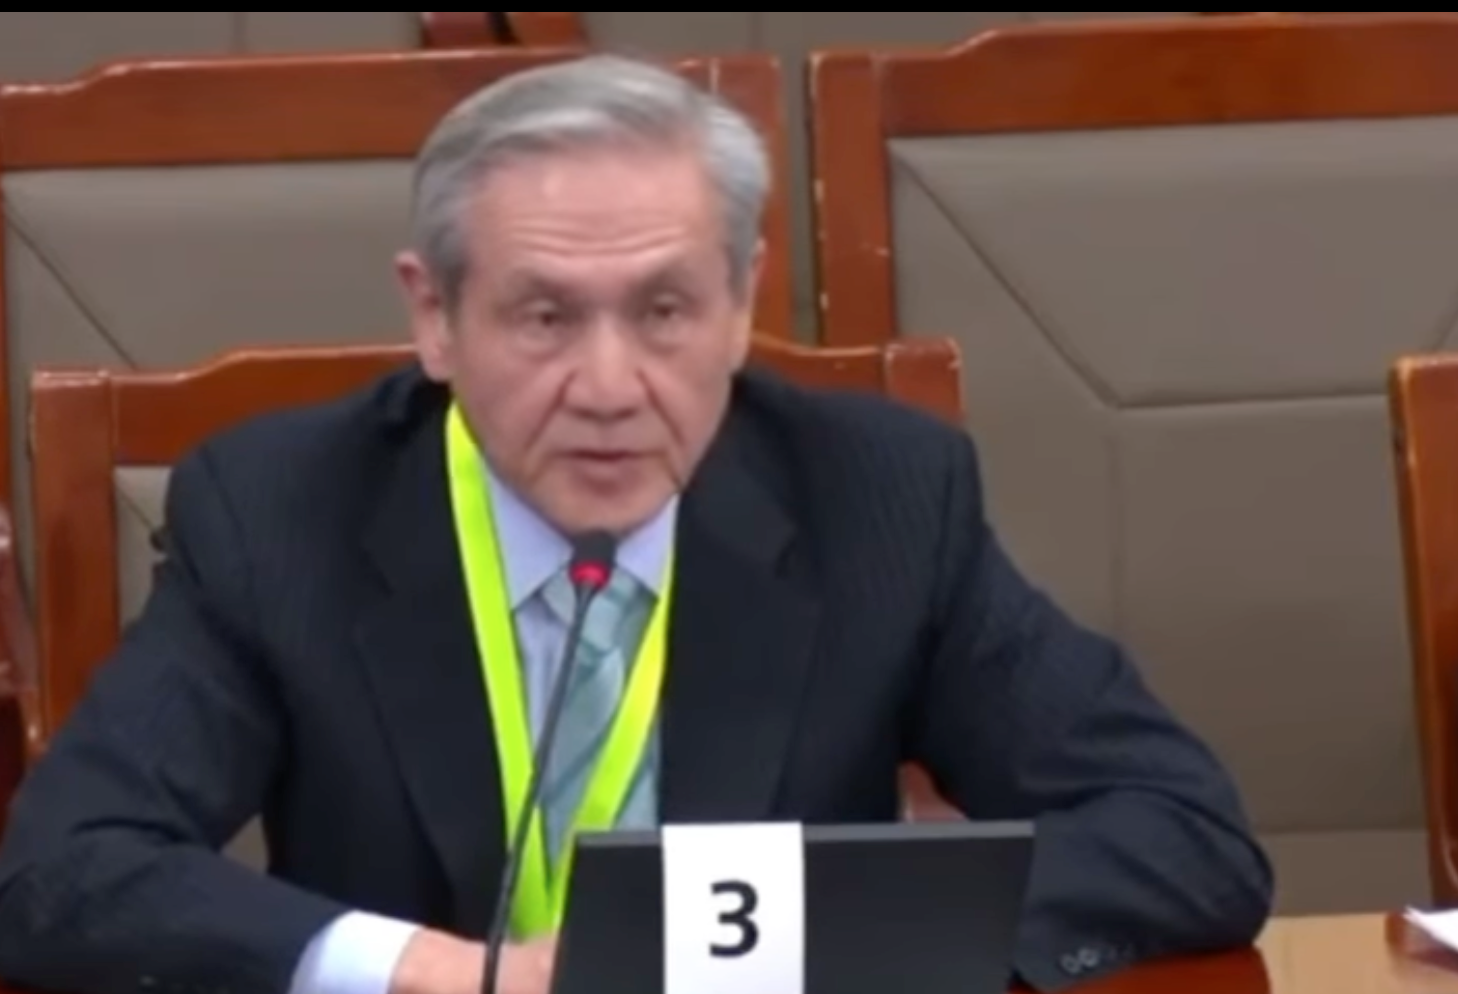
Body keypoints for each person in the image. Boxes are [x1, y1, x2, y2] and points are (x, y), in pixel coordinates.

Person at [0, 54, 1270, 994]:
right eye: (545, 316)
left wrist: (782, 945)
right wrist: (433, 971)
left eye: (664, 311)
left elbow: (1183, 831)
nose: (609, 387)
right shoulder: (279, 512)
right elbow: (59, 869)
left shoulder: (879, 496)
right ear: (435, 317)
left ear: (740, 302)